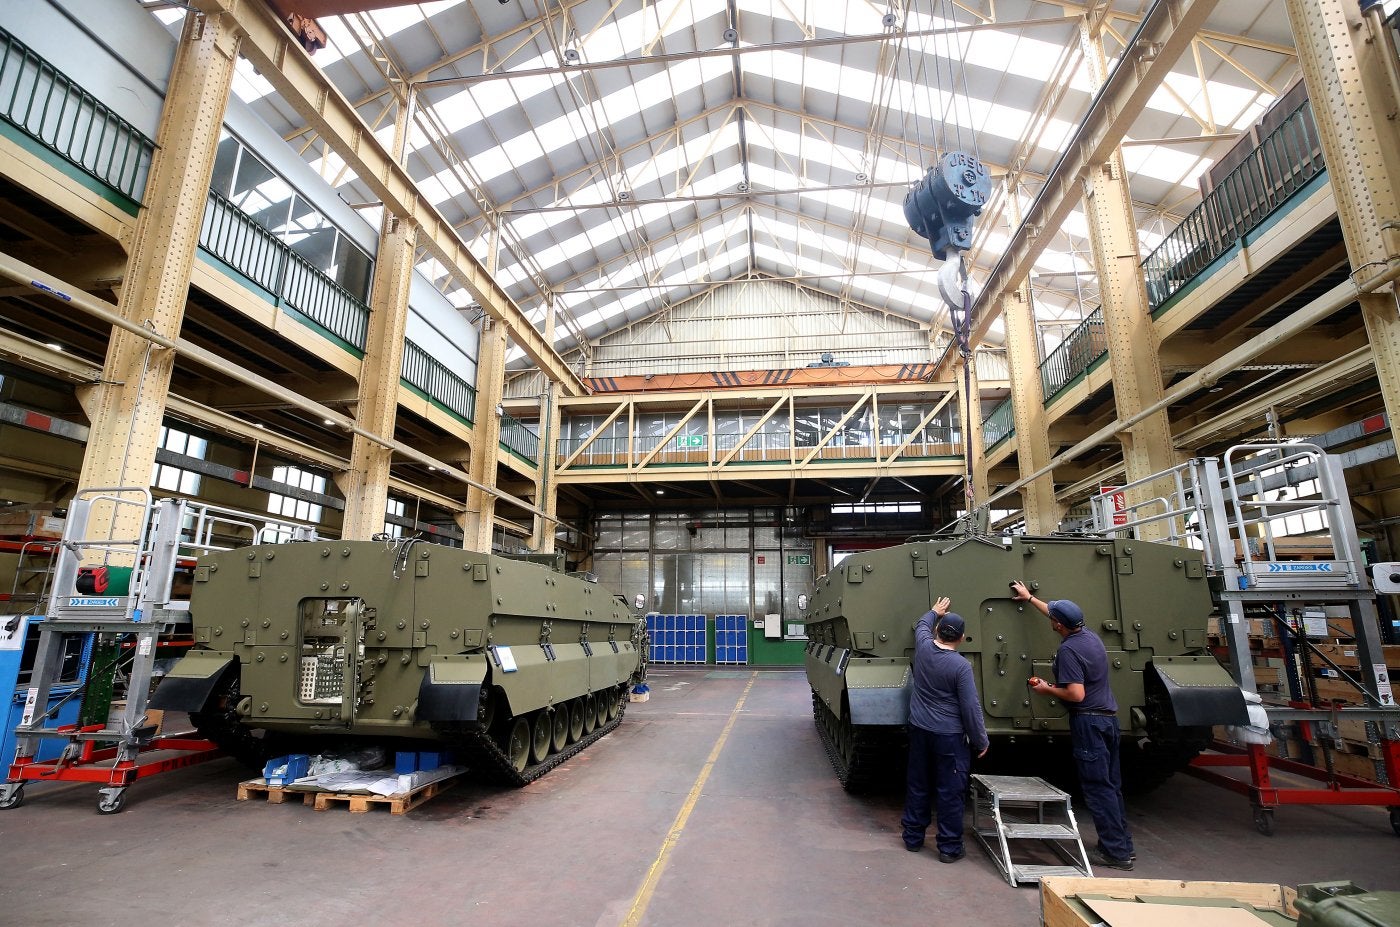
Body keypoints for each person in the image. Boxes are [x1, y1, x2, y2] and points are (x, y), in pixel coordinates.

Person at [1010, 580, 1136, 871]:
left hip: (1088, 723)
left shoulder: (1068, 652)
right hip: (1108, 721)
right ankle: (1122, 845)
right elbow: (1055, 614)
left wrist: (1047, 689)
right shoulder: (1089, 637)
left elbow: (1076, 694)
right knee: (1111, 787)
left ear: (1057, 625)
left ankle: (1116, 853)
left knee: (1097, 788)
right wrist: (1030, 598)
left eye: (1053, 618)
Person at [901, 596, 989, 863]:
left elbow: (921, 626)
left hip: (919, 730)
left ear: (938, 631)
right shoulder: (961, 667)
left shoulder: (924, 648)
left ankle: (913, 838)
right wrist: (981, 740)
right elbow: (970, 708)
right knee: (950, 791)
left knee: (918, 784)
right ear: (962, 638)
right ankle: (949, 848)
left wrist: (934, 612)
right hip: (949, 737)